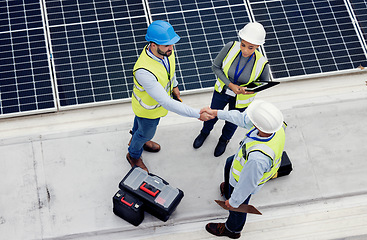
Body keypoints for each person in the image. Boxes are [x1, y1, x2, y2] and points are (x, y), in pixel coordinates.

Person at [127, 20, 213, 173]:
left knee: (139, 128)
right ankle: (133, 155)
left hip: (150, 106)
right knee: (146, 132)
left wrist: (174, 85)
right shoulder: (143, 71)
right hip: (148, 110)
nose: (171, 48)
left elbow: (169, 71)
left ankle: (136, 138)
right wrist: (196, 114)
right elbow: (166, 102)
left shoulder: (165, 52)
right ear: (153, 45)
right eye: (167, 45)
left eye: (172, 44)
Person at [202, 100, 286, 239]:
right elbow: (241, 119)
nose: (248, 118)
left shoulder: (257, 159)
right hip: (241, 163)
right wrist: (217, 113)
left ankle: (232, 230)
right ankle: (229, 191)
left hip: (243, 178)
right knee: (229, 162)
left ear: (257, 125)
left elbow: (247, 184)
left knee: (238, 208)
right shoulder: (276, 127)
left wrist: (234, 201)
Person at [193, 22, 271, 157]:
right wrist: (230, 85)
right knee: (211, 115)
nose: (245, 50)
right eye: (243, 45)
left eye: (251, 47)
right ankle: (204, 132)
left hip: (241, 99)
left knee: (233, 121)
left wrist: (249, 90)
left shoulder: (262, 63)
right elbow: (215, 67)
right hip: (222, 91)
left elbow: (264, 83)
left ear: (258, 46)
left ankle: (224, 140)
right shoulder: (230, 47)